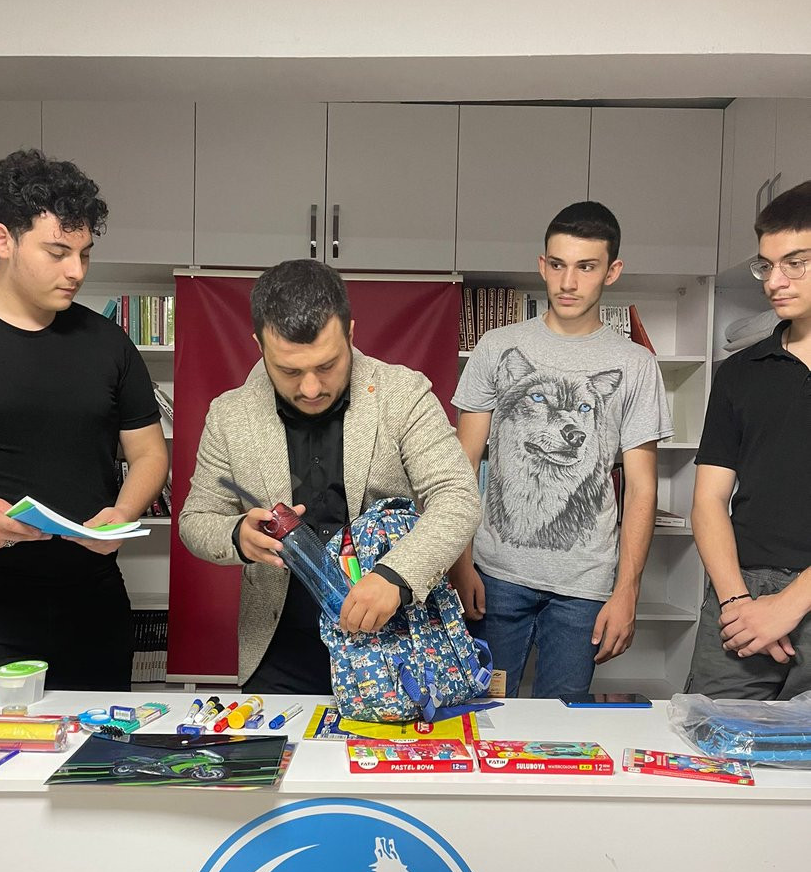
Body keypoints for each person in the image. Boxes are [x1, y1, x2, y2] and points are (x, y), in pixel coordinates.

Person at [0, 148, 169, 690]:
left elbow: (149, 452)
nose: (76, 271)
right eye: (57, 252)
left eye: (84, 254)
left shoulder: (108, 343)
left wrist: (123, 513)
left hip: (88, 595)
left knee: (98, 739)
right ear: (2, 239)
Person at [179, 258, 482, 695]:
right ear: (259, 346)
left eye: (326, 365)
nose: (310, 388)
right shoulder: (229, 415)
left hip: (397, 647)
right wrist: (236, 535)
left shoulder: (403, 394)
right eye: (288, 371)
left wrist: (395, 577)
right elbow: (196, 520)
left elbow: (457, 496)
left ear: (350, 334)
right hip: (279, 651)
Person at [450, 201, 672, 698]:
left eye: (586, 267)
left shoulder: (635, 365)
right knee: (483, 714)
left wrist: (627, 591)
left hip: (584, 585)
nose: (568, 282)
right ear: (542, 264)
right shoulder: (496, 347)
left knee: (562, 725)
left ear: (612, 271)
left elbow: (641, 489)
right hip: (494, 575)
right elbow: (461, 465)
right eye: (557, 264)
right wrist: (459, 563)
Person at [687, 179, 811, 700]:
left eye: (795, 263)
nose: (774, 281)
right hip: (742, 591)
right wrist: (737, 601)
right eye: (767, 265)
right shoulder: (740, 372)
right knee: (707, 739)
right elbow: (708, 501)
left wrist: (790, 604)